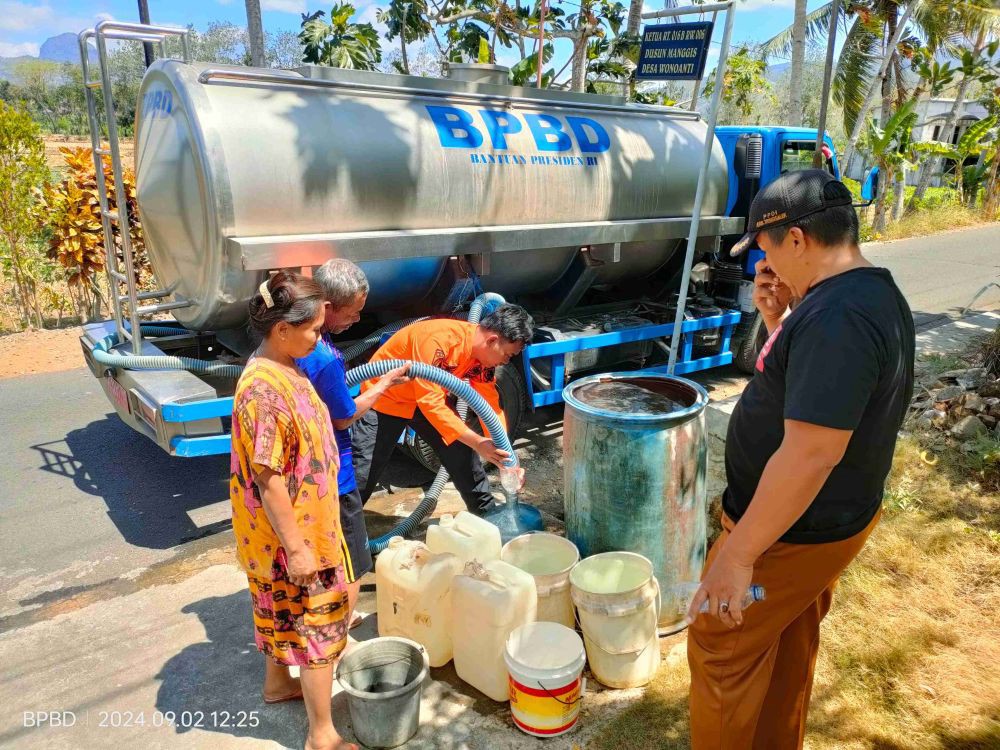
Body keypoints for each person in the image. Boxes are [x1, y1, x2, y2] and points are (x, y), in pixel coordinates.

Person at [685, 170, 915, 749]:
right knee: (785, 639)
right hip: (818, 524)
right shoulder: (856, 297)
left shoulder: (839, 318)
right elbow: (808, 391)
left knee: (721, 645)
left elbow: (813, 452)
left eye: (764, 248)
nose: (762, 265)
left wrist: (738, 555)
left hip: (788, 533)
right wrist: (777, 323)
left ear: (796, 239)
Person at [230, 271, 356, 750]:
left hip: (289, 529)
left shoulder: (285, 361)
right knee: (318, 621)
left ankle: (277, 684)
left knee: (281, 608)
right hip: (293, 535)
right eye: (315, 331)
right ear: (282, 329)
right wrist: (299, 550)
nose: (320, 339)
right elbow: (269, 478)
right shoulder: (264, 391)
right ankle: (321, 734)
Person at [296, 259, 410, 629]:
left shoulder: (297, 341)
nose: (358, 321)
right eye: (354, 312)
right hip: (334, 471)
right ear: (327, 307)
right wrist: (381, 386)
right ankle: (338, 631)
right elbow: (344, 416)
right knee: (352, 559)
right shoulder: (323, 356)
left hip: (305, 470)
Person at [353, 304, 535, 515]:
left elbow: (490, 405)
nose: (507, 360)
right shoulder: (438, 340)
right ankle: (341, 532)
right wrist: (478, 442)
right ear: (492, 340)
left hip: (425, 400)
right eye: (508, 355)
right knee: (363, 475)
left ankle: (488, 516)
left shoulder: (483, 358)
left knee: (462, 455)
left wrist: (506, 456)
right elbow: (430, 402)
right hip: (386, 399)